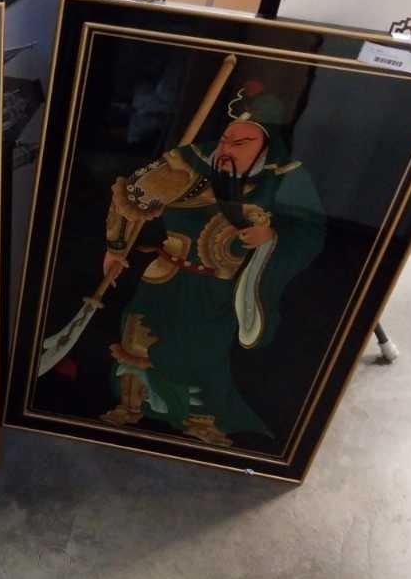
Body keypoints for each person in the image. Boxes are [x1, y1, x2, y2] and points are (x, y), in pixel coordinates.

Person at [100, 82, 325, 446]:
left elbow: (309, 231)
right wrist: (115, 248)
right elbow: (132, 196)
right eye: (225, 139)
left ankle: (200, 422)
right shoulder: (187, 163)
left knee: (201, 354)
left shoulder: (287, 178)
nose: (226, 149)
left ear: (266, 146)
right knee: (138, 338)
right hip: (166, 275)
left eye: (241, 143)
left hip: (220, 287)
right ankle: (130, 406)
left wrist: (271, 237)